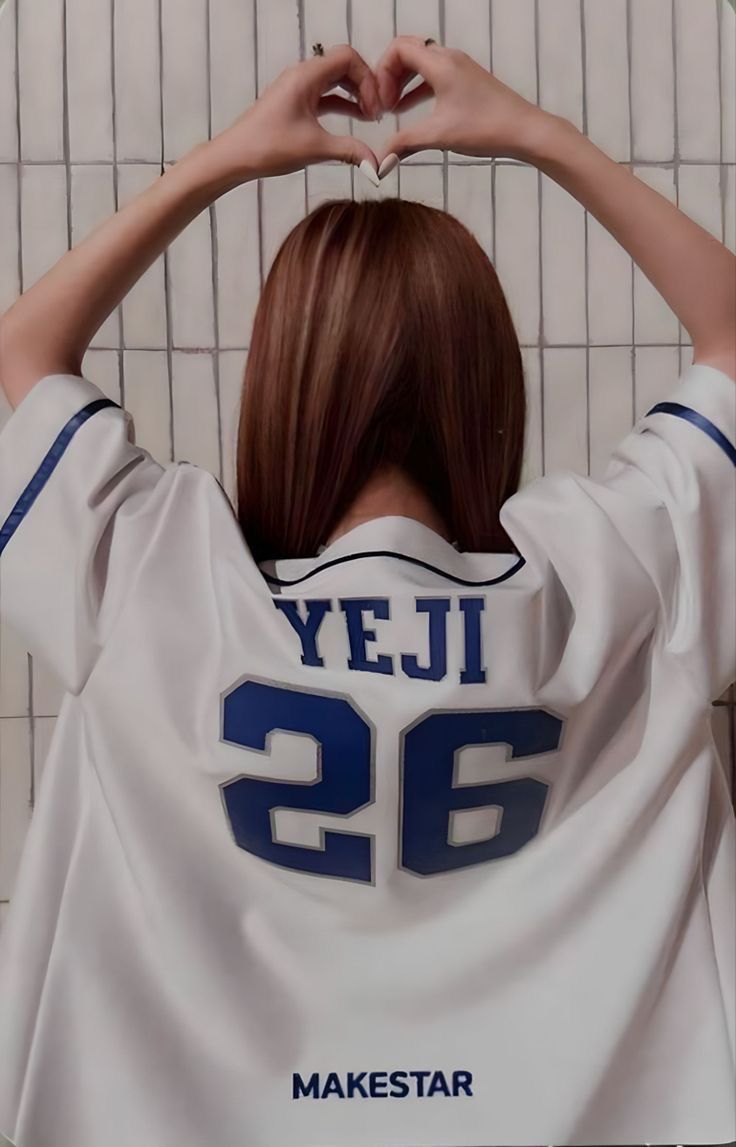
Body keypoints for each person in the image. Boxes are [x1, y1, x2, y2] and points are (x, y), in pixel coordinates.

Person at [0, 34, 733, 1147]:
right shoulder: (611, 580)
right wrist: (534, 134)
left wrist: (226, 159)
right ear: (490, 381)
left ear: (280, 387)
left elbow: (21, 355)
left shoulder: (156, 579)